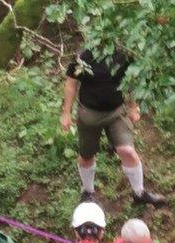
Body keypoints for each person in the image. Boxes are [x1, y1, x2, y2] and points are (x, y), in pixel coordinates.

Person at [60, 47, 165, 206]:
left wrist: (132, 106)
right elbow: (71, 84)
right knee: (87, 155)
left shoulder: (123, 55)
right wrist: (66, 113)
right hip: (90, 113)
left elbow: (130, 81)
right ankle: (88, 192)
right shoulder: (85, 56)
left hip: (116, 112)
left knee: (127, 150)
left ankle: (139, 193)